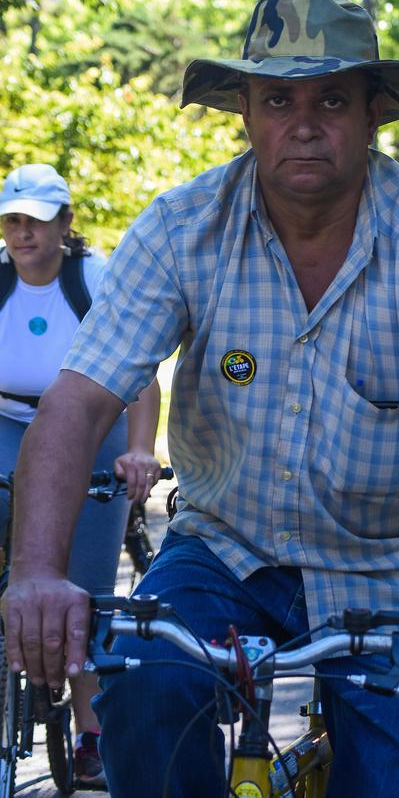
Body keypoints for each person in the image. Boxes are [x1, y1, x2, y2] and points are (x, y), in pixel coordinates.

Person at [1, 0, 399, 798]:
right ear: (245, 113)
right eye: (278, 99)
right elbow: (78, 402)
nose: (306, 121)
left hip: (396, 561)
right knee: (141, 689)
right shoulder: (183, 227)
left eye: (332, 98)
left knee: (391, 778)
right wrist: (36, 571)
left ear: (372, 114)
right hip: (225, 547)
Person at [0, 162, 162, 787]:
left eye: (36, 221)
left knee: (87, 588)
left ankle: (94, 732)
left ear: (65, 225)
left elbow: (141, 371)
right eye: (12, 221)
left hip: (92, 430)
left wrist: (141, 449)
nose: (22, 234)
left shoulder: (93, 279)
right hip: (10, 422)